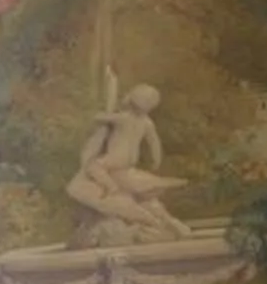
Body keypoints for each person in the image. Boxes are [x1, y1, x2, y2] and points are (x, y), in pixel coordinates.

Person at [64, 84, 191, 242]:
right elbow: (154, 143)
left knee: (93, 166)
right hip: (130, 160)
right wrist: (156, 159)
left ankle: (110, 186)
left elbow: (98, 118)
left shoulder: (122, 118)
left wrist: (104, 113)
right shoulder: (147, 123)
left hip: (116, 158)